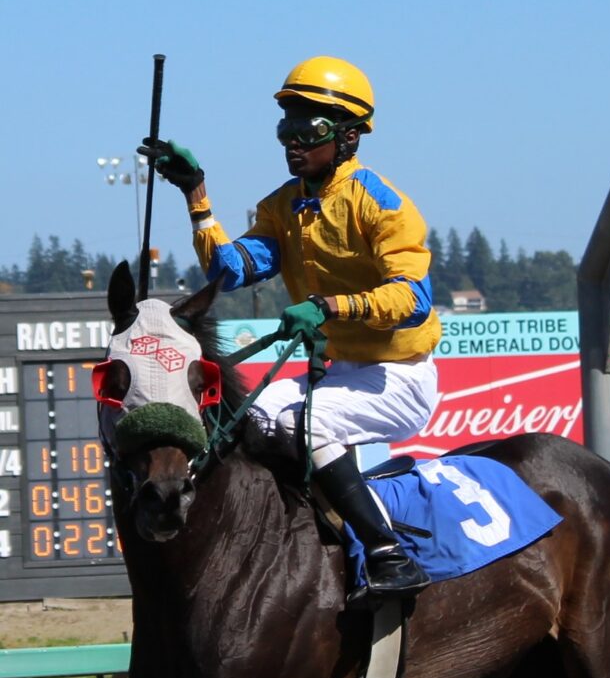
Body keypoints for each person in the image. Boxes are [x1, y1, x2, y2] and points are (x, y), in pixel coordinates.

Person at [141, 56, 441, 598]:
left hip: (400, 377)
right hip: (341, 374)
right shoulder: (285, 205)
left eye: (310, 129)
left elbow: (414, 300)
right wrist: (196, 195)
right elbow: (231, 269)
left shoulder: (381, 203)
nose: (293, 142)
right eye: (287, 128)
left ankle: (389, 554)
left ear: (349, 136)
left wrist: (329, 306)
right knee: (245, 419)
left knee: (308, 423)